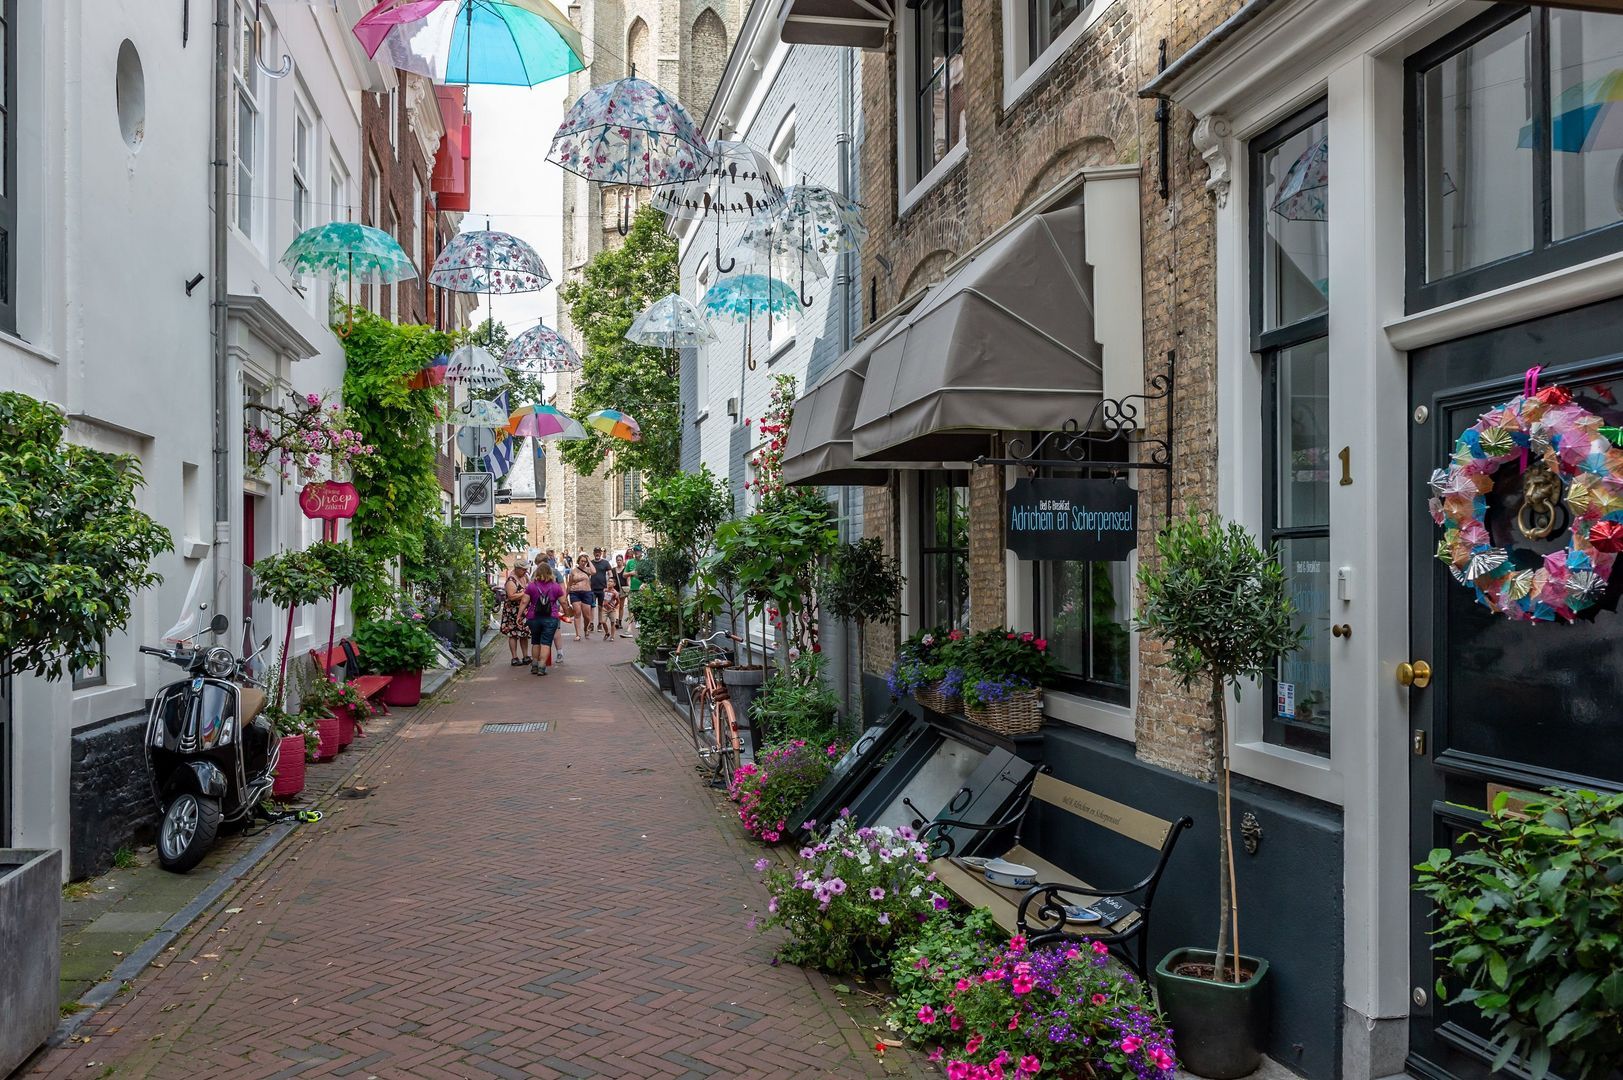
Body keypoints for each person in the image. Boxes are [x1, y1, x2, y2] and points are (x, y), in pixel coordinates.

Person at [523, 567, 565, 675]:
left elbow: (524, 601)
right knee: (546, 642)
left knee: (535, 641)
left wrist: (519, 615)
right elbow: (563, 602)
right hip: (551, 618)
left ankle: (534, 665)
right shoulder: (556, 587)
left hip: (534, 617)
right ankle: (542, 667)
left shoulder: (531, 586)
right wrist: (567, 612)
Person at [499, 562, 530, 666]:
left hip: (524, 610)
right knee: (513, 634)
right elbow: (511, 596)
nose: (525, 571)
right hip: (512, 611)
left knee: (524, 633)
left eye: (526, 569)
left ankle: (526, 656)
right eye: (523, 569)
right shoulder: (511, 580)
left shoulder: (525, 576)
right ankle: (514, 657)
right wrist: (525, 594)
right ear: (517, 569)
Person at [533, 555, 562, 662]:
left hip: (549, 606)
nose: (537, 566)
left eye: (538, 564)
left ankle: (558, 653)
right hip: (547, 607)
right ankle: (543, 660)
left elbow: (562, 588)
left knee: (554, 630)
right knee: (549, 631)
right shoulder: (554, 573)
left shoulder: (554, 572)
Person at [566, 554, 595, 642]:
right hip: (575, 593)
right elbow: (569, 584)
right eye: (582, 561)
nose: (583, 563)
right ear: (578, 561)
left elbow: (594, 572)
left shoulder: (588, 570)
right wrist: (565, 595)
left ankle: (586, 628)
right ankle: (578, 634)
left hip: (586, 593)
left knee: (587, 616)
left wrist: (589, 560)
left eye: (585, 561)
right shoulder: (573, 571)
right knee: (577, 613)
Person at [589, 547, 613, 639]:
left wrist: (609, 585)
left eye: (599, 552)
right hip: (592, 588)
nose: (597, 554)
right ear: (594, 553)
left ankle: (599, 623)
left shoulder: (605, 563)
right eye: (596, 552)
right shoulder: (591, 563)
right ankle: (591, 623)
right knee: (592, 606)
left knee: (601, 607)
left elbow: (610, 574)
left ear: (601, 553)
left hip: (603, 589)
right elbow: (587, 573)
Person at [611, 553, 633, 637]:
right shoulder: (613, 570)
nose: (619, 562)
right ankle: (616, 620)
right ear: (616, 561)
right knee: (616, 606)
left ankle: (619, 621)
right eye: (617, 560)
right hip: (615, 590)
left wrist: (629, 587)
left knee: (621, 606)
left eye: (620, 560)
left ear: (622, 561)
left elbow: (628, 579)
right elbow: (611, 579)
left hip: (623, 589)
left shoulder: (625, 570)